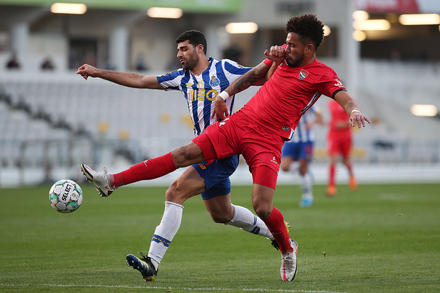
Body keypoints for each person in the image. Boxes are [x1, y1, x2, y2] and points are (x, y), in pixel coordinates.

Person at [81, 14, 370, 281]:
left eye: (292, 45)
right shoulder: (271, 60)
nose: (286, 47)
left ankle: (286, 248)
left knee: (262, 206)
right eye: (286, 42)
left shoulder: (321, 73)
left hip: (268, 140)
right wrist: (226, 93)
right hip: (238, 125)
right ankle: (113, 181)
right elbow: (256, 73)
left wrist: (353, 110)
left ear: (309, 48)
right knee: (213, 202)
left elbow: (342, 96)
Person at [77, 30, 283, 282]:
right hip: (202, 150)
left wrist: (277, 60)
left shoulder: (225, 69)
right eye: (177, 50)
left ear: (199, 49)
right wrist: (99, 72)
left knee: (175, 191)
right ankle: (275, 234)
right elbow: (140, 80)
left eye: (184, 49)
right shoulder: (180, 77)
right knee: (222, 214)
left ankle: (151, 260)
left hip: (223, 149)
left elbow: (264, 78)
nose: (179, 54)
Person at [280, 104, 323, 207]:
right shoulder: (284, 103)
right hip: (291, 140)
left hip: (306, 140)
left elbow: (319, 115)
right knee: (284, 167)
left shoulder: (307, 102)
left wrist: (312, 124)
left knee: (303, 168)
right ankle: (306, 172)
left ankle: (307, 196)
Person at [326, 99, 357, 196]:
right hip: (334, 135)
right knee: (333, 160)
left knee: (346, 160)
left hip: (346, 135)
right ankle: (332, 187)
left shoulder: (349, 102)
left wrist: (344, 124)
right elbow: (332, 119)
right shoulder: (331, 104)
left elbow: (354, 119)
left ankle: (352, 177)